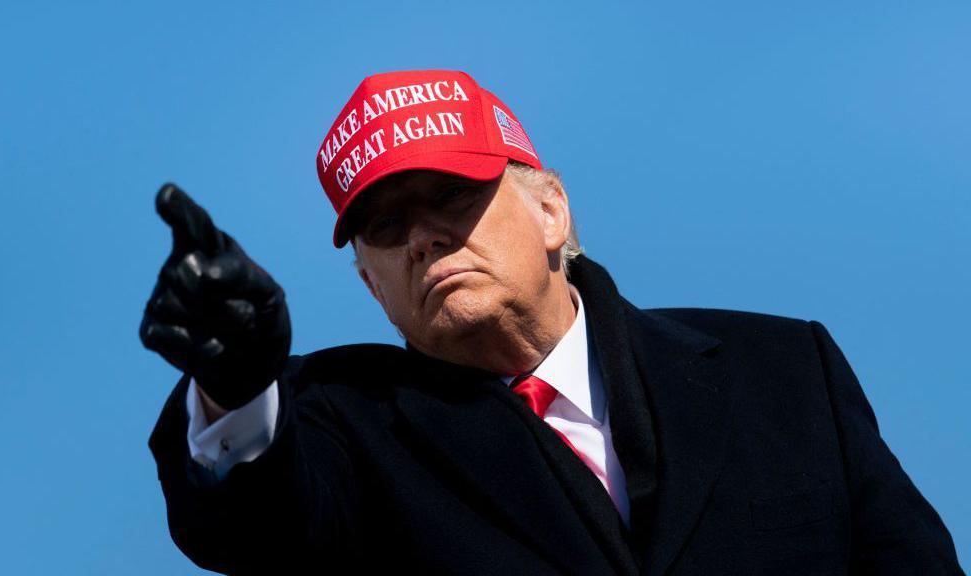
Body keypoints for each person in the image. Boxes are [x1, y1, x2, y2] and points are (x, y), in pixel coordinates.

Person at [141, 70, 963, 575]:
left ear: (550, 211)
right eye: (386, 227)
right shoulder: (339, 425)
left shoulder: (783, 371)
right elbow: (254, 531)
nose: (424, 235)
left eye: (455, 196)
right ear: (371, 285)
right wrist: (233, 385)